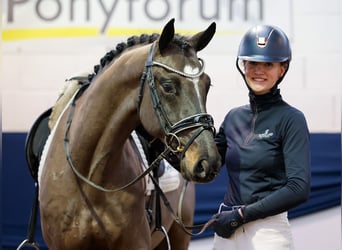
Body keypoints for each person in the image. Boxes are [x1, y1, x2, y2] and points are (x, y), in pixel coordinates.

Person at [212, 25, 311, 250]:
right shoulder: (233, 117)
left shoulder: (292, 119)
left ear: (282, 70)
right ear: (243, 65)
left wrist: (241, 215)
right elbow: (206, 169)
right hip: (227, 231)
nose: (259, 70)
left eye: (268, 64)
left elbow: (298, 187)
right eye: (253, 63)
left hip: (268, 233)